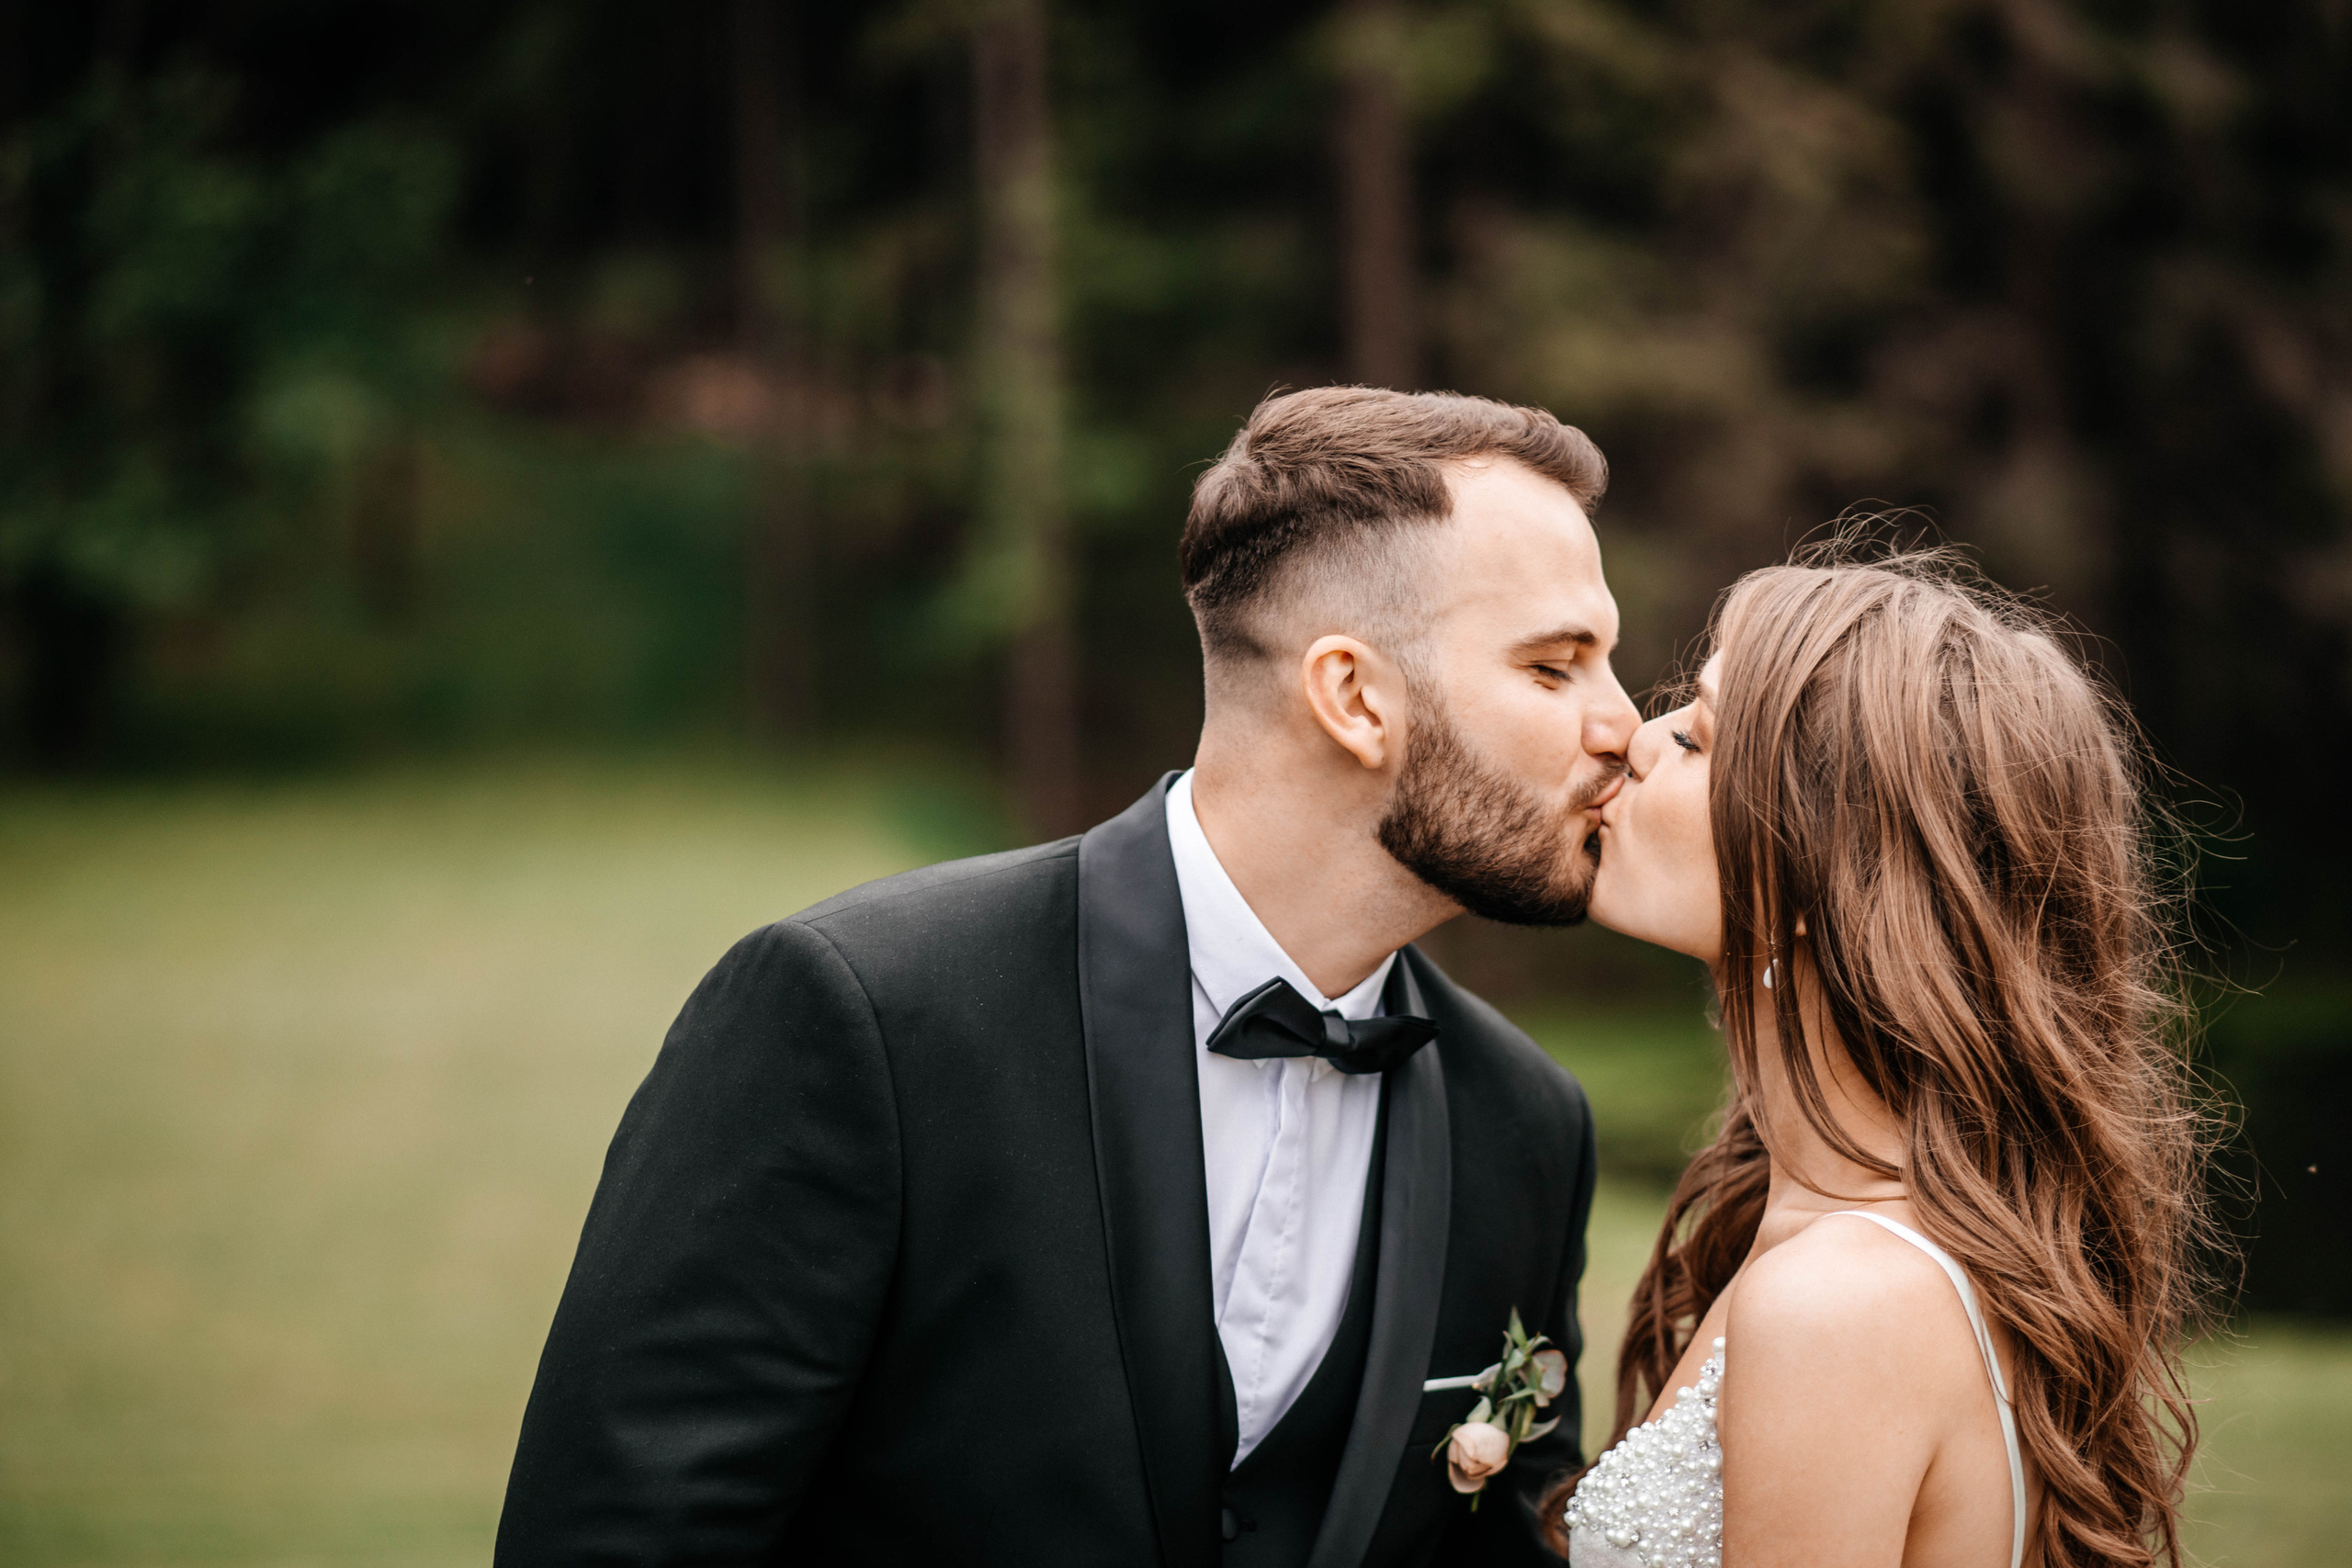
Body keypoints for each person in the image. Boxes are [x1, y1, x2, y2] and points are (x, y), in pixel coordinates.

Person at [495, 386, 1643, 1566]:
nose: (1625, 730)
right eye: (1557, 669)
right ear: (1353, 698)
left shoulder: (1526, 1123)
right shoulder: (869, 1019)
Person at [1554, 553, 2210, 1568]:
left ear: (1822, 873)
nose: (1635, 744)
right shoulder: (1869, 1241)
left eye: (1695, 737)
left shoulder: (1834, 1305)